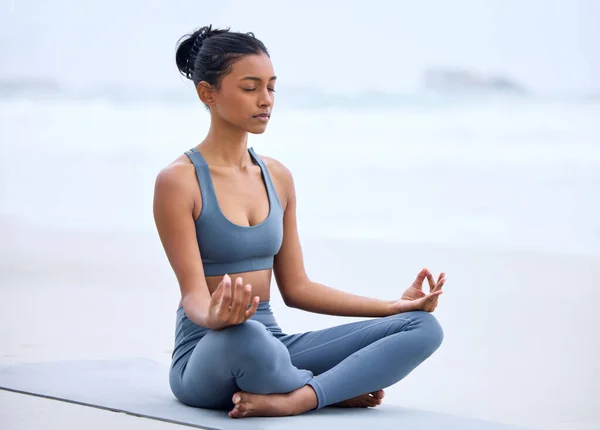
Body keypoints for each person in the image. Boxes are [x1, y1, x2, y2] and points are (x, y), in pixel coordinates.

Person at [153, 25, 446, 420]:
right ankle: (331, 387)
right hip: (210, 348)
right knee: (249, 337)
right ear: (208, 93)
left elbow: (297, 287)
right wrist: (216, 317)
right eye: (250, 87)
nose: (266, 100)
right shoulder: (178, 181)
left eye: (271, 87)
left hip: (274, 345)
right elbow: (193, 295)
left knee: (422, 328)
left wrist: (392, 307)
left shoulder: (278, 176)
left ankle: (301, 395)